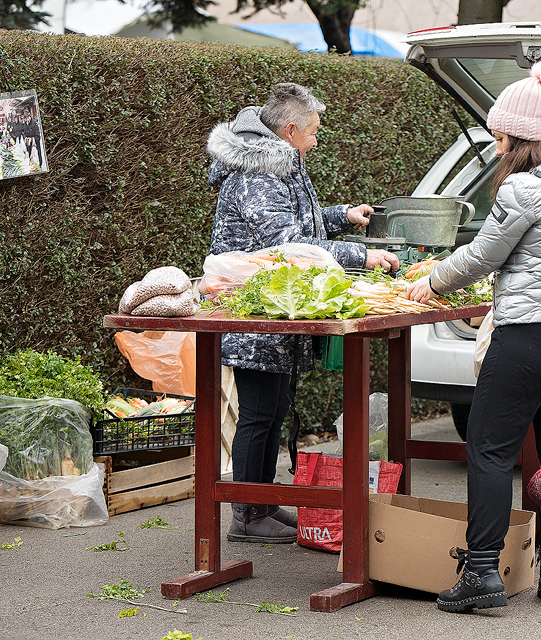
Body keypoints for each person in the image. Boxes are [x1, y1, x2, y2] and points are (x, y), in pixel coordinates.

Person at [406, 57, 541, 611]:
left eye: (501, 133)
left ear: (521, 134)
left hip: (530, 338)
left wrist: (431, 281)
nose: (497, 143)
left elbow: (482, 257)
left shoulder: (524, 188)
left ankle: (481, 574)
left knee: (489, 449)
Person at [206, 83, 400, 544]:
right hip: (254, 314)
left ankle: (262, 504)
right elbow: (288, 244)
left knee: (273, 412)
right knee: (257, 415)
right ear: (290, 130)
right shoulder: (257, 174)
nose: (316, 140)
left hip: (277, 315)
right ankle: (247, 516)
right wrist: (360, 256)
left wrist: (341, 215)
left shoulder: (278, 165)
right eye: (312, 132)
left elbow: (299, 225)